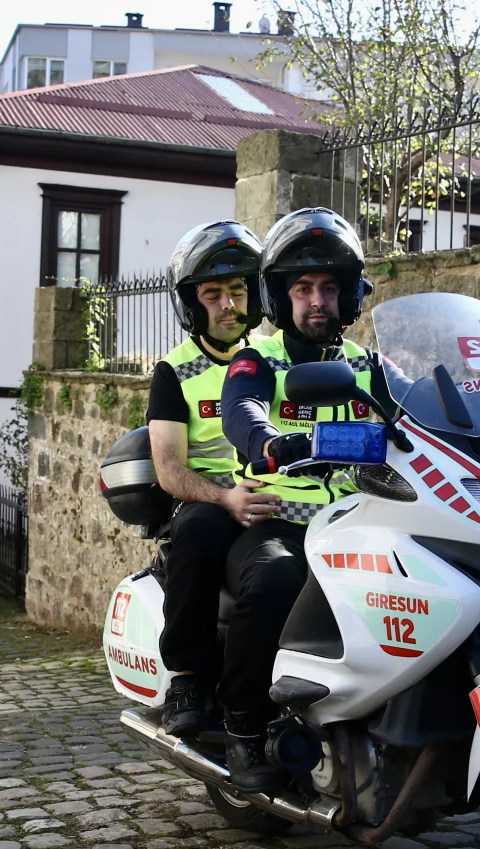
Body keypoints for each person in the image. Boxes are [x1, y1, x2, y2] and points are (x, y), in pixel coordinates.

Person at [218, 207, 380, 793]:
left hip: (365, 520)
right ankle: (242, 728)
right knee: (278, 579)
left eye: (330, 288)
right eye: (304, 288)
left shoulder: (370, 366)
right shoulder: (259, 360)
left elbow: (425, 414)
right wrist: (266, 440)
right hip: (280, 522)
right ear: (281, 297)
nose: (318, 300)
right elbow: (241, 409)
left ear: (350, 296)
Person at [146, 221, 282, 738]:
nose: (228, 305)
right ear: (190, 304)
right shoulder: (174, 371)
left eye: (238, 291)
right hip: (211, 499)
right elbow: (169, 469)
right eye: (213, 295)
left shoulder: (276, 356)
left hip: (278, 495)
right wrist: (225, 497)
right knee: (199, 532)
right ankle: (186, 678)